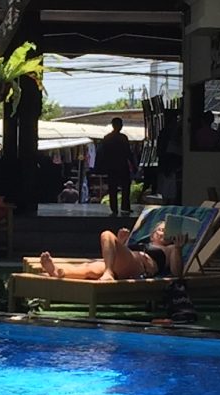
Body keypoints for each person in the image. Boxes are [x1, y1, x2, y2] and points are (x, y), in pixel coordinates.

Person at [34, 219, 182, 284]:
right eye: (160, 229)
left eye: (166, 230)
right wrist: (121, 242)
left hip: (140, 267)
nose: (162, 233)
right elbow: (122, 256)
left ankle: (109, 272)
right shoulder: (143, 243)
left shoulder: (170, 248)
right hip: (125, 263)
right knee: (88, 269)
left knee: (106, 234)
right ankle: (58, 272)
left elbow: (176, 272)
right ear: (153, 233)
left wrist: (178, 248)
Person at [93, 117, 137, 217]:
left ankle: (114, 208)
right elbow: (128, 153)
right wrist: (133, 165)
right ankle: (125, 206)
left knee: (113, 188)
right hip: (122, 165)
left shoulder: (107, 138)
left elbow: (102, 153)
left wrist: (100, 166)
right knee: (125, 186)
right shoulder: (123, 138)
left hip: (112, 166)